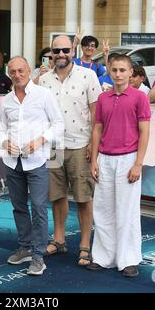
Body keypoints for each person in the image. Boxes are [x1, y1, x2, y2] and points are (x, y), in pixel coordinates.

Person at [0, 56, 64, 276]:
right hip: (12, 162)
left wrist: (40, 141)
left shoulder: (43, 95)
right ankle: (25, 247)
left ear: (29, 71)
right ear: (9, 73)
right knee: (19, 207)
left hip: (37, 161)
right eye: (13, 71)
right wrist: (5, 142)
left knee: (38, 208)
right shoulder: (6, 100)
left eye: (21, 71)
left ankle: (38, 256)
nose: (17, 75)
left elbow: (59, 124)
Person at [39, 35, 102, 266]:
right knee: (56, 196)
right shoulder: (44, 80)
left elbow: (97, 115)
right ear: (51, 54)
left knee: (84, 198)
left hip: (80, 146)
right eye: (57, 51)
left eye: (65, 50)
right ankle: (59, 239)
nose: (61, 54)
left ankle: (85, 245)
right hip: (53, 147)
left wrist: (92, 145)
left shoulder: (89, 75)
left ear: (72, 51)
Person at [88, 54, 150, 278]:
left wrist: (138, 164)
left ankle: (128, 260)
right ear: (109, 71)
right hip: (104, 158)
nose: (118, 74)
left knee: (127, 211)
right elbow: (97, 129)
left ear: (131, 72)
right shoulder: (103, 98)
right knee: (103, 210)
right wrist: (94, 160)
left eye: (123, 70)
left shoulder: (140, 97)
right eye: (114, 70)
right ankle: (104, 258)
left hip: (128, 159)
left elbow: (144, 131)